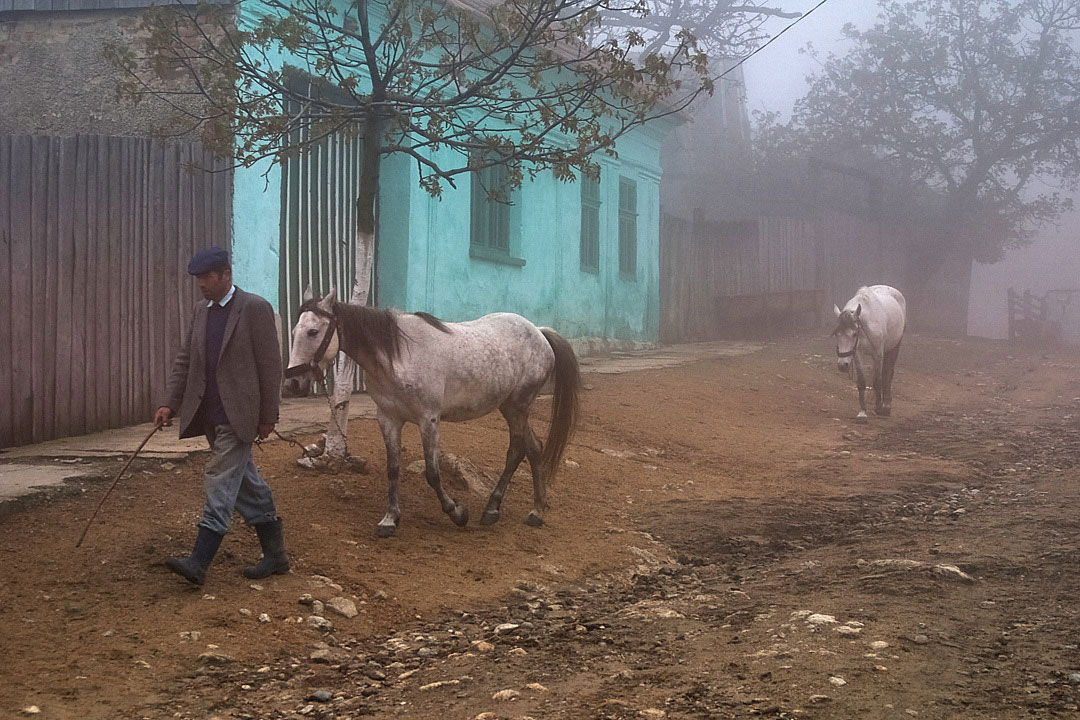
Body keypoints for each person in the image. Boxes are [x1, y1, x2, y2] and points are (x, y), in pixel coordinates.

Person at [154, 247, 289, 586]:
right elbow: (186, 360)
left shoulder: (255, 308)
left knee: (219, 478)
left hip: (239, 415)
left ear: (225, 274)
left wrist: (268, 415)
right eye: (198, 279)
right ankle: (276, 556)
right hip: (210, 413)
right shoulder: (202, 311)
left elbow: (270, 366)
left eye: (206, 278)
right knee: (247, 485)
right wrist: (169, 403)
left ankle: (199, 561)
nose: (200, 285)